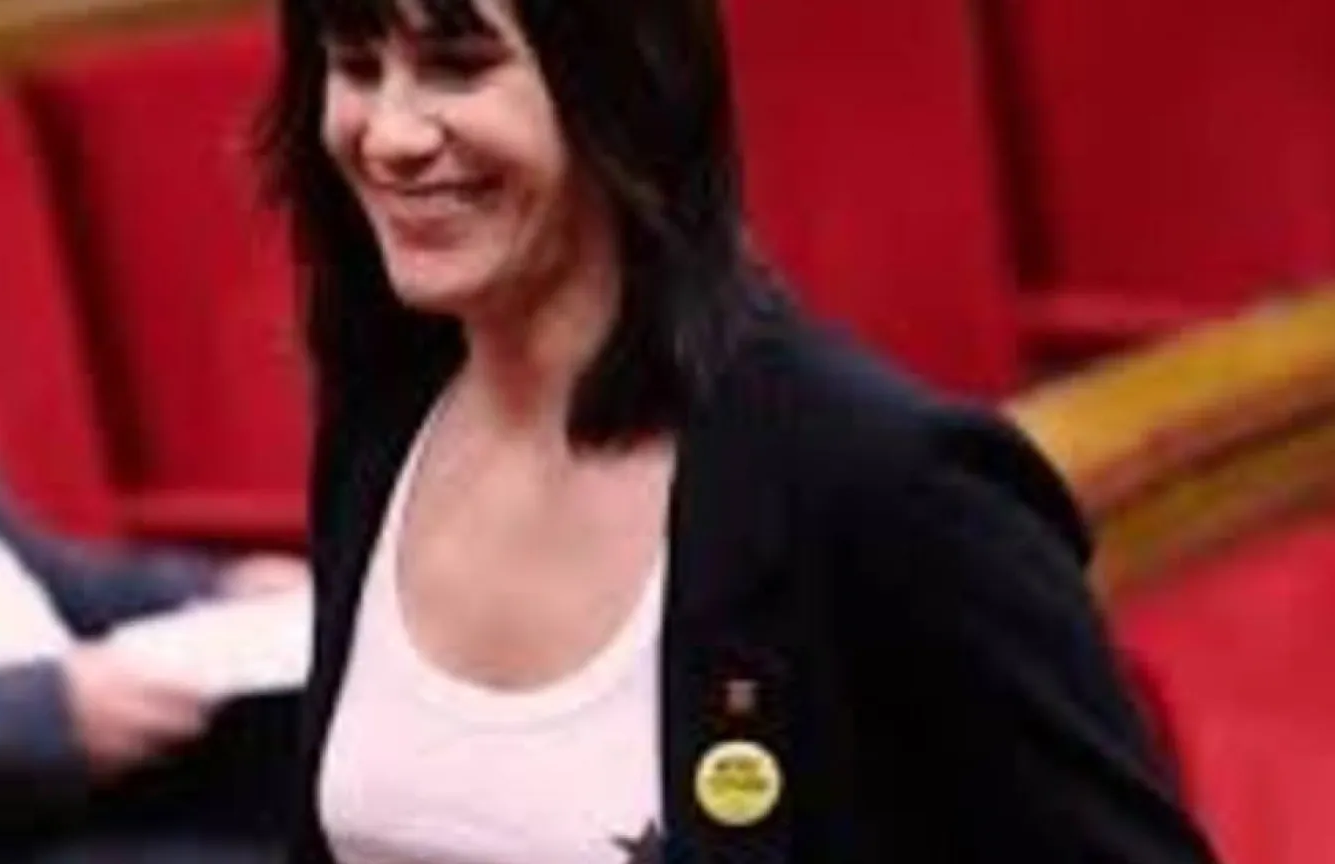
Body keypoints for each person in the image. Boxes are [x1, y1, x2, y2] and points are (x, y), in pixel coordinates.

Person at [260, 0, 1222, 860]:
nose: (387, 133)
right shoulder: (386, 422)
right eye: (356, 65)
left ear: (621, 82)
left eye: (459, 64)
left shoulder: (888, 486)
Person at [0, 280, 304, 863]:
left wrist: (215, 588)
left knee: (369, 763)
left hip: (88, 746)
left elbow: (9, 560)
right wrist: (47, 710)